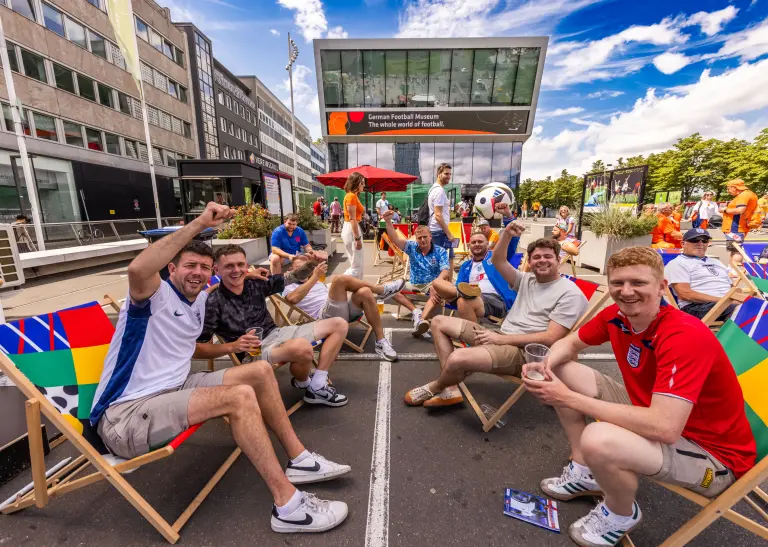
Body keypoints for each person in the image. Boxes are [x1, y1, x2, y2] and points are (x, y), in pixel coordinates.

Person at [90, 203, 350, 534]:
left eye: (203, 266)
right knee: (240, 397)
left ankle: (298, 460)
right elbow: (139, 270)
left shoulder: (201, 297)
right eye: (189, 265)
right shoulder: (151, 296)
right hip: (126, 415)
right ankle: (288, 506)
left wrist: (255, 273)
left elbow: (236, 276)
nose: (197, 272)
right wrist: (200, 223)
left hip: (176, 387)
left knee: (259, 372)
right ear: (171, 269)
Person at [524, 246, 756, 547]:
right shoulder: (617, 316)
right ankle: (585, 471)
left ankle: (620, 514)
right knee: (562, 370)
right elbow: (569, 344)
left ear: (662, 287)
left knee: (598, 438)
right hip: (653, 411)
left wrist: (567, 398)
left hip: (713, 457)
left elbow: (664, 428)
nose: (627, 291)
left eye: (638, 283)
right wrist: (545, 365)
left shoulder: (683, 335)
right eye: (618, 283)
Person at [403, 224, 588, 408]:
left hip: (523, 352)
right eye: (536, 257)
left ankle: (437, 385)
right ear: (530, 262)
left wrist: (501, 340)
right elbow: (498, 260)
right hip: (499, 333)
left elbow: (551, 338)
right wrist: (506, 233)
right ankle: (451, 387)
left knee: (457, 358)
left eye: (548, 256)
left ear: (558, 260)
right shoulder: (527, 280)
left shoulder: (570, 293)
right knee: (438, 321)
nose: (542, 261)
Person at [196, 245, 349, 407]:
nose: (236, 270)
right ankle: (308, 384)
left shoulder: (255, 284)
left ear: (247, 267)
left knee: (339, 324)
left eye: (240, 265)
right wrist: (233, 346)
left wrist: (311, 264)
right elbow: (199, 348)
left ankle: (317, 385)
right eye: (229, 266)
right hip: (253, 352)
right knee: (303, 349)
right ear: (216, 270)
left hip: (277, 333)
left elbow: (293, 276)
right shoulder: (213, 303)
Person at [282, 255, 404, 361]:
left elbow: (328, 293)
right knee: (338, 279)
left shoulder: (317, 282)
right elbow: (293, 299)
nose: (303, 271)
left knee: (365, 292)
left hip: (338, 309)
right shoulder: (288, 286)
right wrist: (315, 277)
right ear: (291, 269)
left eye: (306, 268)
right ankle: (381, 290)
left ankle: (381, 341)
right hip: (324, 318)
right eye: (298, 268)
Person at [383, 212, 451, 336]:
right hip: (414, 284)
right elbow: (396, 239)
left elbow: (445, 271)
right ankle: (416, 312)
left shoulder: (440, 251)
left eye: (425, 237)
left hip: (431, 285)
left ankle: (421, 320)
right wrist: (388, 222)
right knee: (390, 288)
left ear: (431, 236)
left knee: (439, 291)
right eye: (419, 238)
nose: (422, 240)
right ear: (416, 239)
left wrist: (436, 284)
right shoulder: (412, 247)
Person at [664, 228, 738, 321]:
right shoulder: (677, 263)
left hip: (724, 304)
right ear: (683, 244)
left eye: (704, 240)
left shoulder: (716, 262)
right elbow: (685, 294)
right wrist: (723, 301)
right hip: (697, 307)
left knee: (757, 305)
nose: (700, 243)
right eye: (694, 240)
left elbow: (732, 288)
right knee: (742, 310)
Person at [448, 231, 517, 324]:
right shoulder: (466, 265)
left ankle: (473, 336)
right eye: (473, 242)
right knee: (437, 284)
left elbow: (511, 244)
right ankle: (470, 294)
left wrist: (509, 221)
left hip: (496, 300)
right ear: (469, 245)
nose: (476, 244)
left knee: (462, 301)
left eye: (480, 242)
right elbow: (459, 285)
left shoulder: (496, 258)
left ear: (487, 244)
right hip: (471, 298)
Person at [428, 163, 458, 262]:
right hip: (439, 231)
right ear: (438, 174)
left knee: (445, 259)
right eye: (446, 174)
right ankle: (443, 278)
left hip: (437, 230)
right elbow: (438, 215)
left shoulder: (433, 189)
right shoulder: (439, 191)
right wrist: (449, 234)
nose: (449, 176)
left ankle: (444, 277)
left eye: (450, 174)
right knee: (444, 262)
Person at [342, 172, 366, 279]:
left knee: (356, 263)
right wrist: (357, 238)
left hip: (352, 228)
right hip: (352, 229)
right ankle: (336, 284)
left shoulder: (353, 196)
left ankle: (357, 288)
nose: (363, 185)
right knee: (356, 265)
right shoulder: (351, 196)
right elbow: (352, 219)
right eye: (362, 183)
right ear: (356, 183)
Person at [720, 178, 758, 244]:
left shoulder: (743, 195)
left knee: (735, 250)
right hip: (739, 226)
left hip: (735, 227)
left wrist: (725, 210)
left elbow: (740, 210)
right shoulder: (749, 194)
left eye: (728, 188)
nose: (728, 191)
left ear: (734, 187)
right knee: (736, 249)